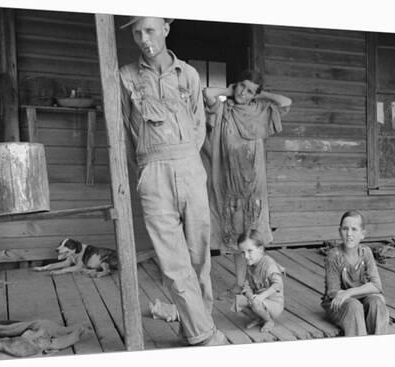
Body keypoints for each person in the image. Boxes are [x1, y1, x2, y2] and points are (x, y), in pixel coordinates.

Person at [119, 16, 227, 346]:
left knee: (198, 258)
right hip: (152, 172)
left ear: (166, 28)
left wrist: (183, 160)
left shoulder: (189, 76)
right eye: (137, 32)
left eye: (150, 29)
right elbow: (125, 132)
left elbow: (198, 126)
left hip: (190, 167)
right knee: (173, 261)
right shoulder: (125, 77)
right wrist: (144, 169)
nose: (143, 38)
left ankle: (193, 329)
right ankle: (205, 336)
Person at [202, 70, 291, 299]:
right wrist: (228, 91)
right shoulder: (224, 109)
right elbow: (208, 93)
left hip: (254, 187)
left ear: (255, 95)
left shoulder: (260, 110)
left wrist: (261, 96)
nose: (243, 92)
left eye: (250, 90)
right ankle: (240, 283)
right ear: (235, 85)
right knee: (236, 239)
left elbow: (285, 102)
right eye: (241, 86)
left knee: (255, 236)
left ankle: (262, 281)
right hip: (230, 185)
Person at [321, 210, 389, 336]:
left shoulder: (366, 253)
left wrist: (349, 292)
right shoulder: (334, 255)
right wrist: (363, 291)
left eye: (354, 229)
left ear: (363, 234)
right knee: (354, 306)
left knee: (377, 303)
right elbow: (333, 292)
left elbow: (376, 285)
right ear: (339, 231)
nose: (349, 234)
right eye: (345, 229)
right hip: (338, 304)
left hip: (357, 298)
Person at [231, 230, 284, 332]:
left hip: (273, 303)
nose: (245, 256)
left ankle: (269, 320)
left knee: (255, 303)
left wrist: (261, 297)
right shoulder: (251, 265)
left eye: (250, 251)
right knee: (239, 301)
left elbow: (278, 285)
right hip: (259, 300)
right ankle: (260, 318)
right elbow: (246, 286)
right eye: (243, 252)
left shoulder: (268, 264)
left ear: (260, 249)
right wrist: (250, 296)